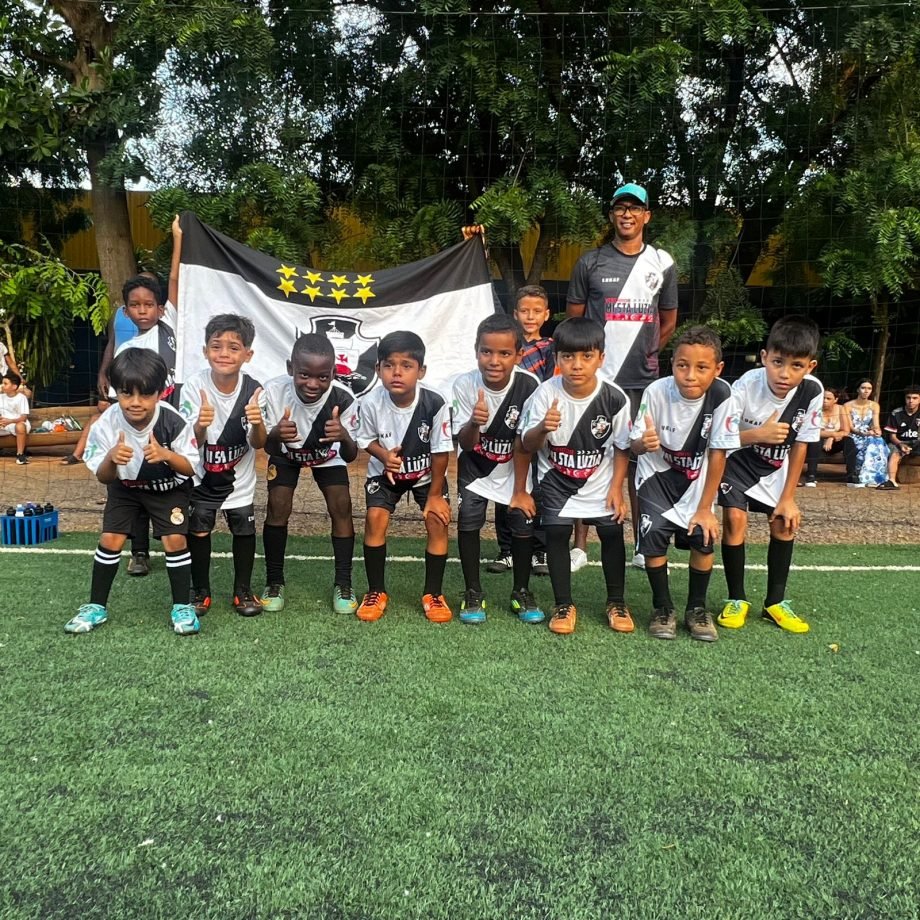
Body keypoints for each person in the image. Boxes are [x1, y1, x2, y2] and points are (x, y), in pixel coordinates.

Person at [566, 182, 678, 572]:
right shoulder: (590, 262)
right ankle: (579, 545)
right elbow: (575, 322)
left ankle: (641, 543)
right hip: (597, 380)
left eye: (635, 208)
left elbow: (668, 320)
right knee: (584, 455)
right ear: (612, 214)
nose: (626, 214)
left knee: (637, 461)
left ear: (647, 215)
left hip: (641, 382)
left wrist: (647, 353)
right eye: (619, 208)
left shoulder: (662, 262)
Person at [64, 348, 202, 635]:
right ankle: (96, 606)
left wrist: (165, 454)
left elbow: (190, 468)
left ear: (160, 393)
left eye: (145, 395)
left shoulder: (173, 421)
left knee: (175, 540)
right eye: (127, 394)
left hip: (167, 489)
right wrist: (111, 458)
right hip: (125, 489)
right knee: (110, 538)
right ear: (116, 392)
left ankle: (182, 606)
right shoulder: (106, 423)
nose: (135, 403)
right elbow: (104, 477)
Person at [514, 317, 632, 635]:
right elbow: (527, 444)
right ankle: (563, 603)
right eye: (568, 357)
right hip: (556, 479)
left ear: (600, 359)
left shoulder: (616, 398)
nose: (576, 365)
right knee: (556, 533)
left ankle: (616, 602)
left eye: (586, 356)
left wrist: (617, 488)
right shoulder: (543, 395)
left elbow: (622, 447)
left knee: (611, 533)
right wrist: (542, 427)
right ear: (557, 359)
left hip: (600, 480)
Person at [630, 327, 739, 641]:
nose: (690, 375)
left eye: (701, 367)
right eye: (682, 365)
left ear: (717, 369)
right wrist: (643, 442)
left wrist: (706, 508)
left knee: (703, 537)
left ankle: (697, 608)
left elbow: (719, 453)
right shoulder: (655, 392)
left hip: (696, 481)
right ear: (672, 364)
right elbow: (634, 444)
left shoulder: (723, 395)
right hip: (655, 479)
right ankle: (662, 607)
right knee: (653, 540)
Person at [717, 316, 823, 634]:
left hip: (778, 469)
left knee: (784, 522)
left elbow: (801, 445)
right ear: (765, 358)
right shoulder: (745, 387)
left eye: (796, 365)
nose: (784, 373)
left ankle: (775, 603)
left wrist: (789, 497)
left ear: (810, 366)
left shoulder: (812, 392)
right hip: (738, 462)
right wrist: (758, 434)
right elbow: (720, 439)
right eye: (778, 362)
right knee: (735, 521)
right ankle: (736, 598)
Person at [354, 330, 453, 623]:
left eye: (407, 366)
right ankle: (376, 591)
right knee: (374, 518)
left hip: (426, 475)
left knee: (437, 520)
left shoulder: (435, 403)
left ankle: (433, 593)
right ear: (378, 369)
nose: (397, 373)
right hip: (386, 475)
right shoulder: (371, 402)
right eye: (389, 365)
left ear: (421, 371)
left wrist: (435, 495)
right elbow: (365, 440)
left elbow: (441, 451)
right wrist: (384, 456)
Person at [452, 313, 541, 624]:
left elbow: (525, 443)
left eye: (504, 353)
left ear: (518, 355)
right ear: (476, 350)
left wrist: (519, 491)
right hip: (476, 468)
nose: (494, 360)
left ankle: (521, 590)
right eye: (486, 351)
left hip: (515, 469)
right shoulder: (464, 384)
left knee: (521, 519)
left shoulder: (530, 385)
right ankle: (473, 591)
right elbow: (465, 442)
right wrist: (474, 422)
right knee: (468, 520)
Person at [260, 333, 358, 614]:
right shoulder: (274, 392)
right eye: (304, 374)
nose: (313, 384)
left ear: (333, 373)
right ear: (290, 367)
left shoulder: (344, 399)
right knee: (277, 504)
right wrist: (276, 434)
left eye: (322, 377)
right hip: (287, 453)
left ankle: (344, 583)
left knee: (342, 505)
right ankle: (274, 581)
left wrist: (344, 436)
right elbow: (268, 446)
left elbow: (351, 456)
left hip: (326, 455)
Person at [179, 314, 266, 617]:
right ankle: (200, 590)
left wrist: (256, 423)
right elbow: (189, 440)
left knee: (243, 530)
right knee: (199, 528)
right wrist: (201, 426)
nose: (224, 354)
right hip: (203, 480)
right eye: (216, 346)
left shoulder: (255, 391)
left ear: (247, 354)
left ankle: (242, 590)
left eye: (233, 347)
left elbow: (258, 443)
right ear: (205, 351)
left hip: (239, 480)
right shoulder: (193, 387)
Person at [489, 285, 555, 576]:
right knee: (504, 488)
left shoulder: (552, 348)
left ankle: (538, 551)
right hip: (507, 427)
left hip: (539, 430)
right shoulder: (505, 346)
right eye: (524, 310)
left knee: (536, 489)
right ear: (514, 313)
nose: (530, 316)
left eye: (537, 311)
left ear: (546, 315)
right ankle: (507, 551)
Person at [801, 387, 858, 487]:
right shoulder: (814, 409)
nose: (824, 401)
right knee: (815, 441)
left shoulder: (841, 409)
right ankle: (811, 476)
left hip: (836, 441)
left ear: (835, 400)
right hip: (817, 439)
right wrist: (832, 434)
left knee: (849, 441)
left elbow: (846, 431)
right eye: (823, 398)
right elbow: (812, 430)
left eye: (828, 398)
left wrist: (831, 438)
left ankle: (851, 476)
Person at [844, 380, 888, 487]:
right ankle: (863, 476)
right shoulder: (847, 405)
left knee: (878, 441)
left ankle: (874, 477)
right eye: (863, 388)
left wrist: (877, 430)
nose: (866, 391)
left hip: (869, 433)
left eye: (869, 388)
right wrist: (863, 433)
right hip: (854, 434)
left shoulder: (874, 405)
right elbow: (850, 427)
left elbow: (875, 423)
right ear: (858, 389)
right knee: (863, 443)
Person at [879, 384, 920, 490]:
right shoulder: (896, 413)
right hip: (899, 442)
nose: (911, 401)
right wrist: (901, 444)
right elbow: (892, 436)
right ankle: (891, 481)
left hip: (917, 442)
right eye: (908, 398)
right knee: (894, 452)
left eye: (915, 398)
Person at [0, 370, 30, 464]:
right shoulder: (1, 397)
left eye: (5, 383)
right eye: (2, 383)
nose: (2, 386)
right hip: (4, 424)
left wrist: (10, 421)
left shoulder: (21, 398)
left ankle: (20, 454)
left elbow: (23, 417)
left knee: (20, 426)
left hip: (18, 423)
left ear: (14, 386)